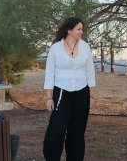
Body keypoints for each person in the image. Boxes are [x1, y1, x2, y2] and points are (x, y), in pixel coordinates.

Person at [43, 16, 96, 161]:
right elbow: (49, 74)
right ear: (69, 30)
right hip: (61, 92)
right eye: (79, 29)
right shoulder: (55, 48)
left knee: (77, 131)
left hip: (82, 93)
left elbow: (90, 72)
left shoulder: (85, 47)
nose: (81, 32)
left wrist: (91, 96)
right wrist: (49, 97)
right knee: (57, 129)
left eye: (82, 29)